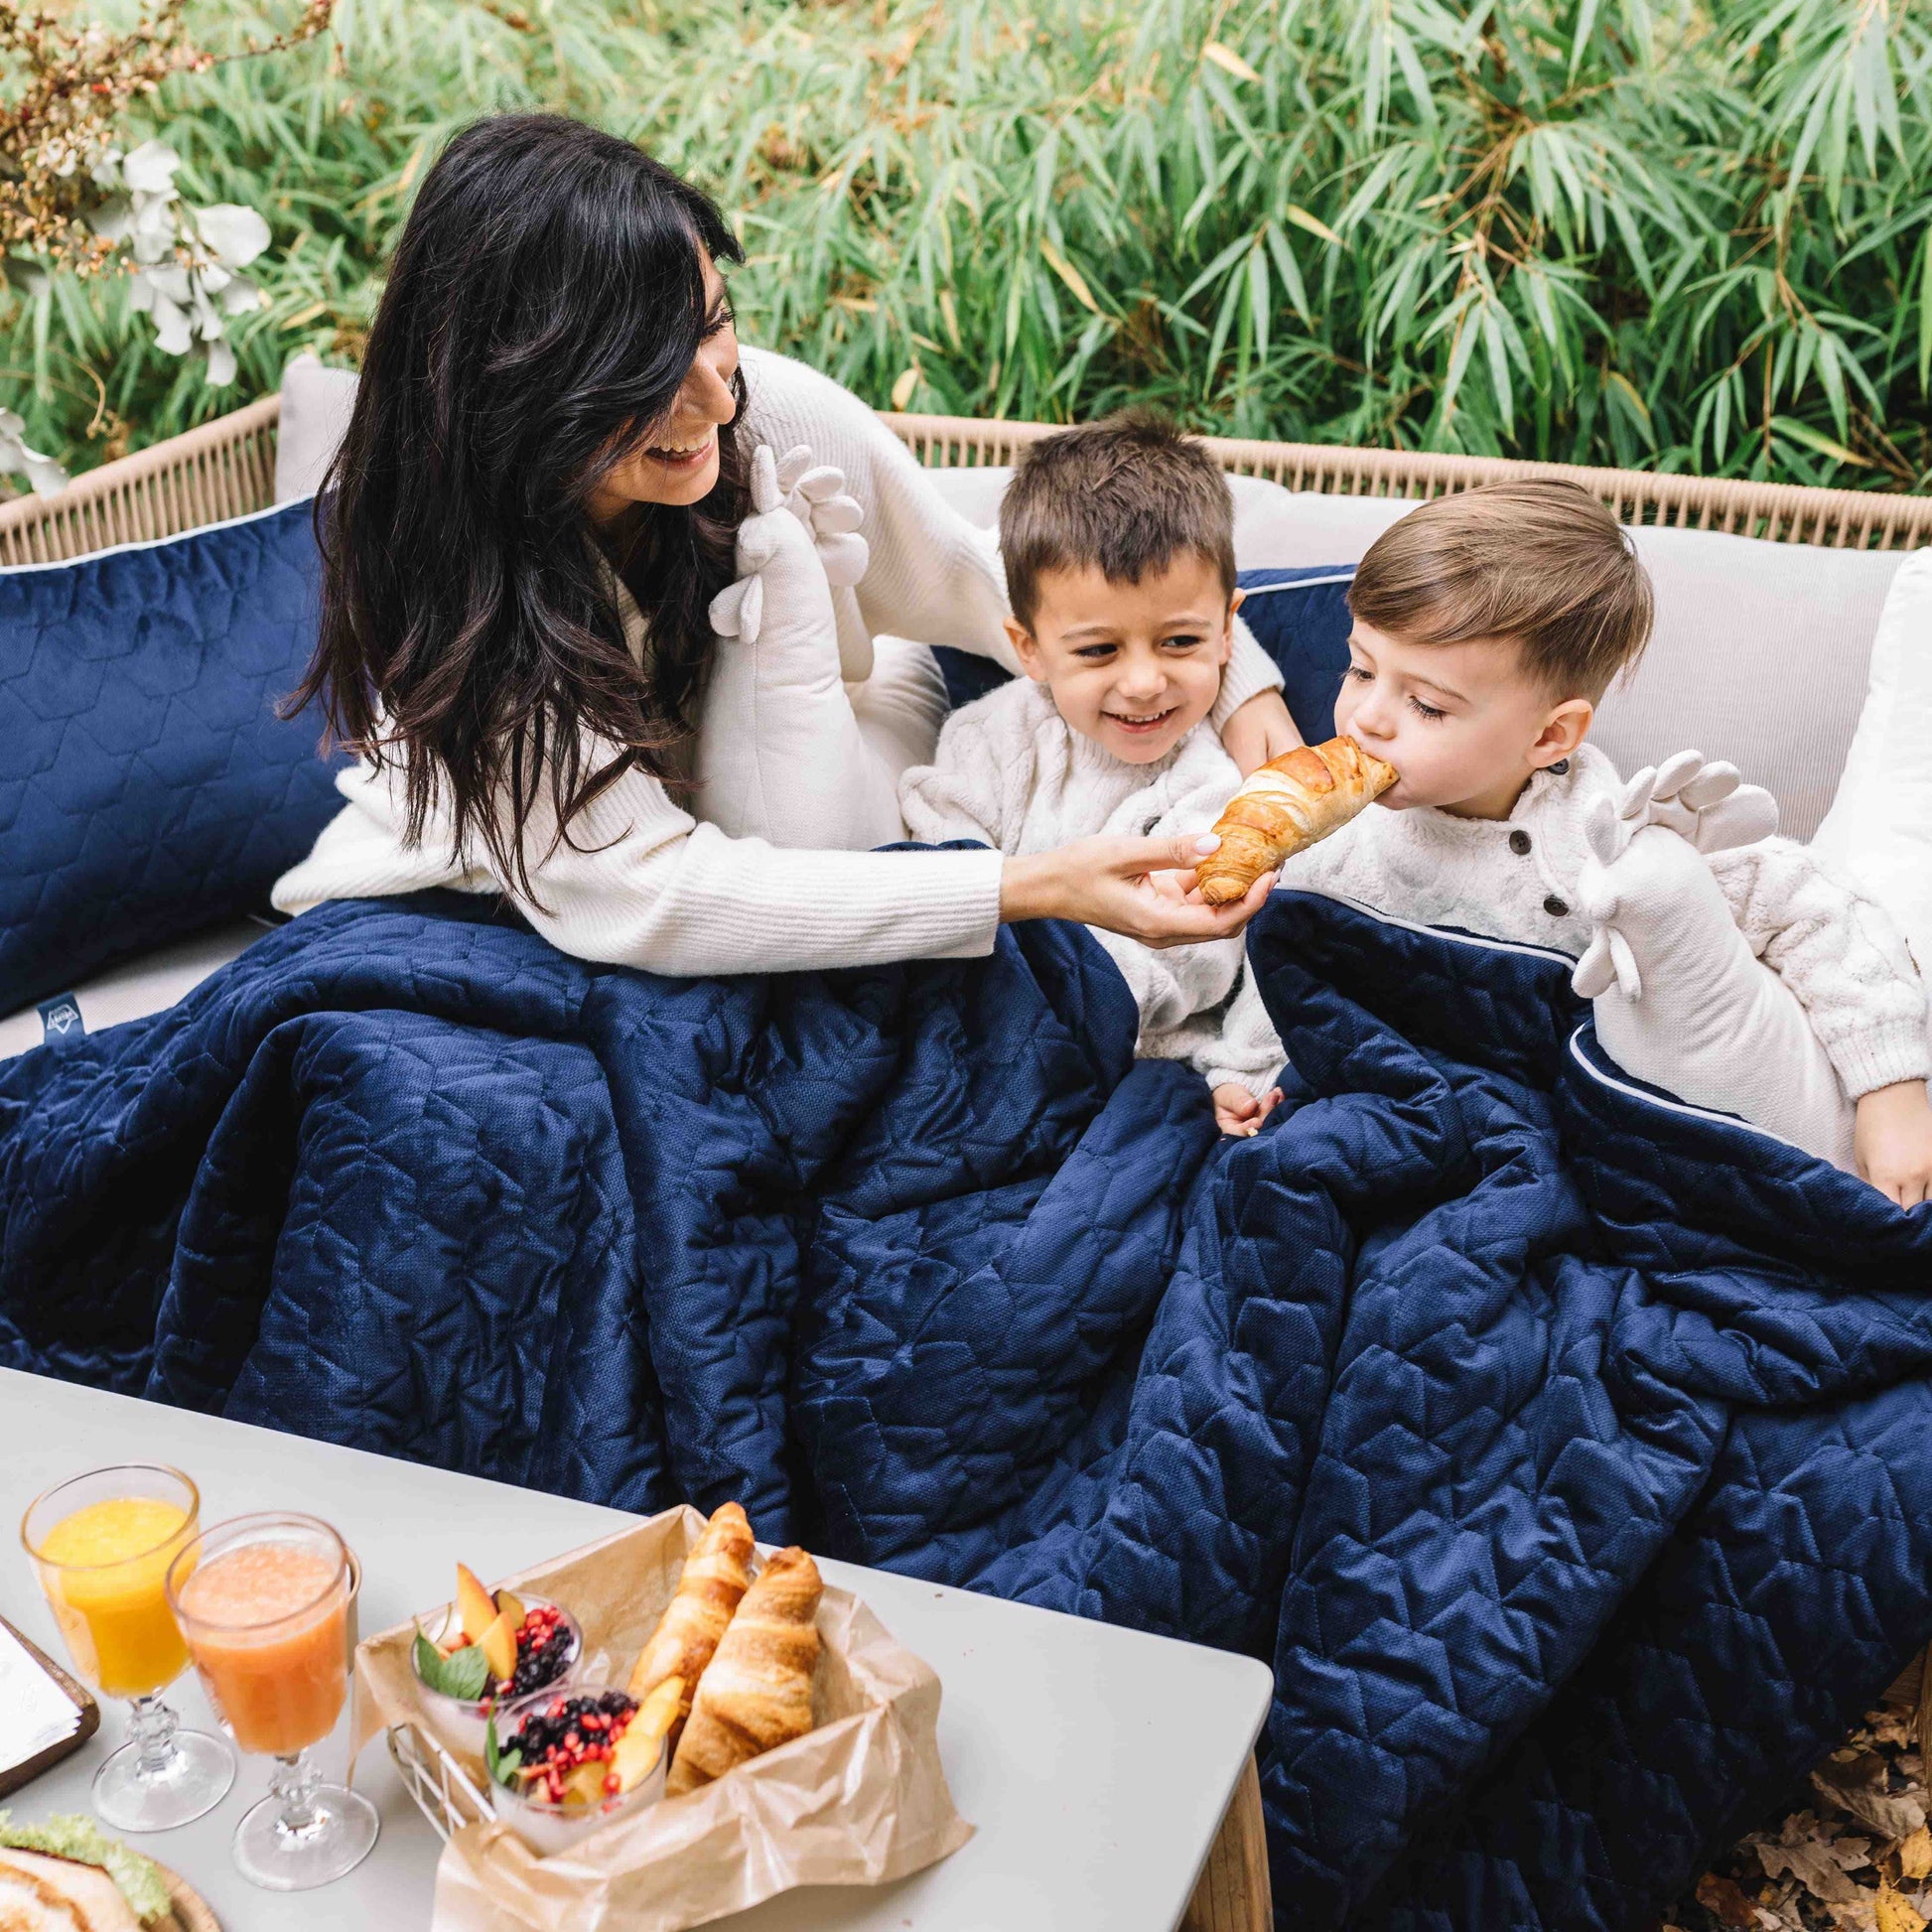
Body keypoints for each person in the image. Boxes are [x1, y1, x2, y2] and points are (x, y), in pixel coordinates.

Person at [272, 112, 1303, 974]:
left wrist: (1241, 681)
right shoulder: (468, 594)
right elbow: (653, 894)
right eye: (645, 374)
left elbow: (988, 579)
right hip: (479, 906)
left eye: (712, 324)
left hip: (738, 853)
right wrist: (1029, 887)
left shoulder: (768, 416)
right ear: (521, 386)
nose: (716, 398)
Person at [1266, 479, 1932, 1205]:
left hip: (1583, 1154)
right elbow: (1290, 971)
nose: (1366, 717)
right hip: (1403, 1132)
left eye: (1425, 705)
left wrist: (1890, 1091)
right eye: (1360, 668)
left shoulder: (1618, 847)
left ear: (1550, 734)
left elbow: (1818, 910)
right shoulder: (1326, 839)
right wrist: (1247, 1070)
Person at [899, 414, 1291, 1136]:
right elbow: (938, 867)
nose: (1143, 683)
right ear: (1030, 649)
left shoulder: (1218, 784)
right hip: (975, 1030)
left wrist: (1231, 1069)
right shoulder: (990, 739)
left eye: (1180, 641)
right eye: (1098, 651)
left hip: (1142, 1061)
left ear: (1227, 633)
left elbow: (1221, 957)